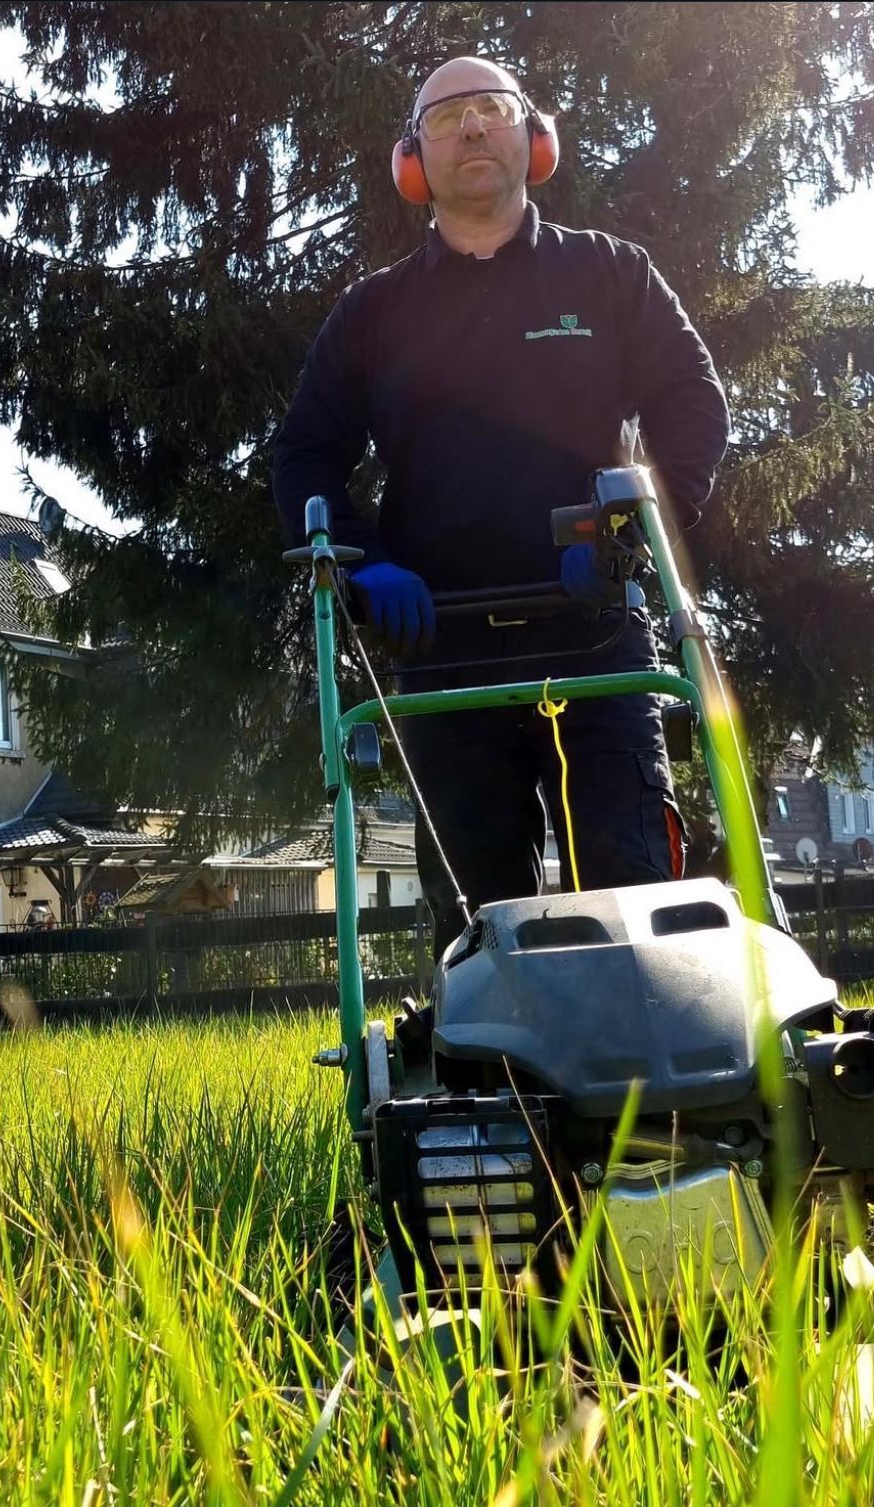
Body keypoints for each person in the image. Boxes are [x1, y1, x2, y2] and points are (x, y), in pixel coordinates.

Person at [273, 55, 730, 955]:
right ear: (414, 160)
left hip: (600, 633)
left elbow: (693, 404)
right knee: (482, 923)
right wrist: (366, 564)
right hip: (441, 649)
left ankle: (649, 1094)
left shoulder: (609, 276)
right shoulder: (374, 314)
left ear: (535, 139)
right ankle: (501, 1095)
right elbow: (304, 454)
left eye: (491, 109)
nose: (473, 129)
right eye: (446, 118)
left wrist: (632, 533)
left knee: (633, 895)